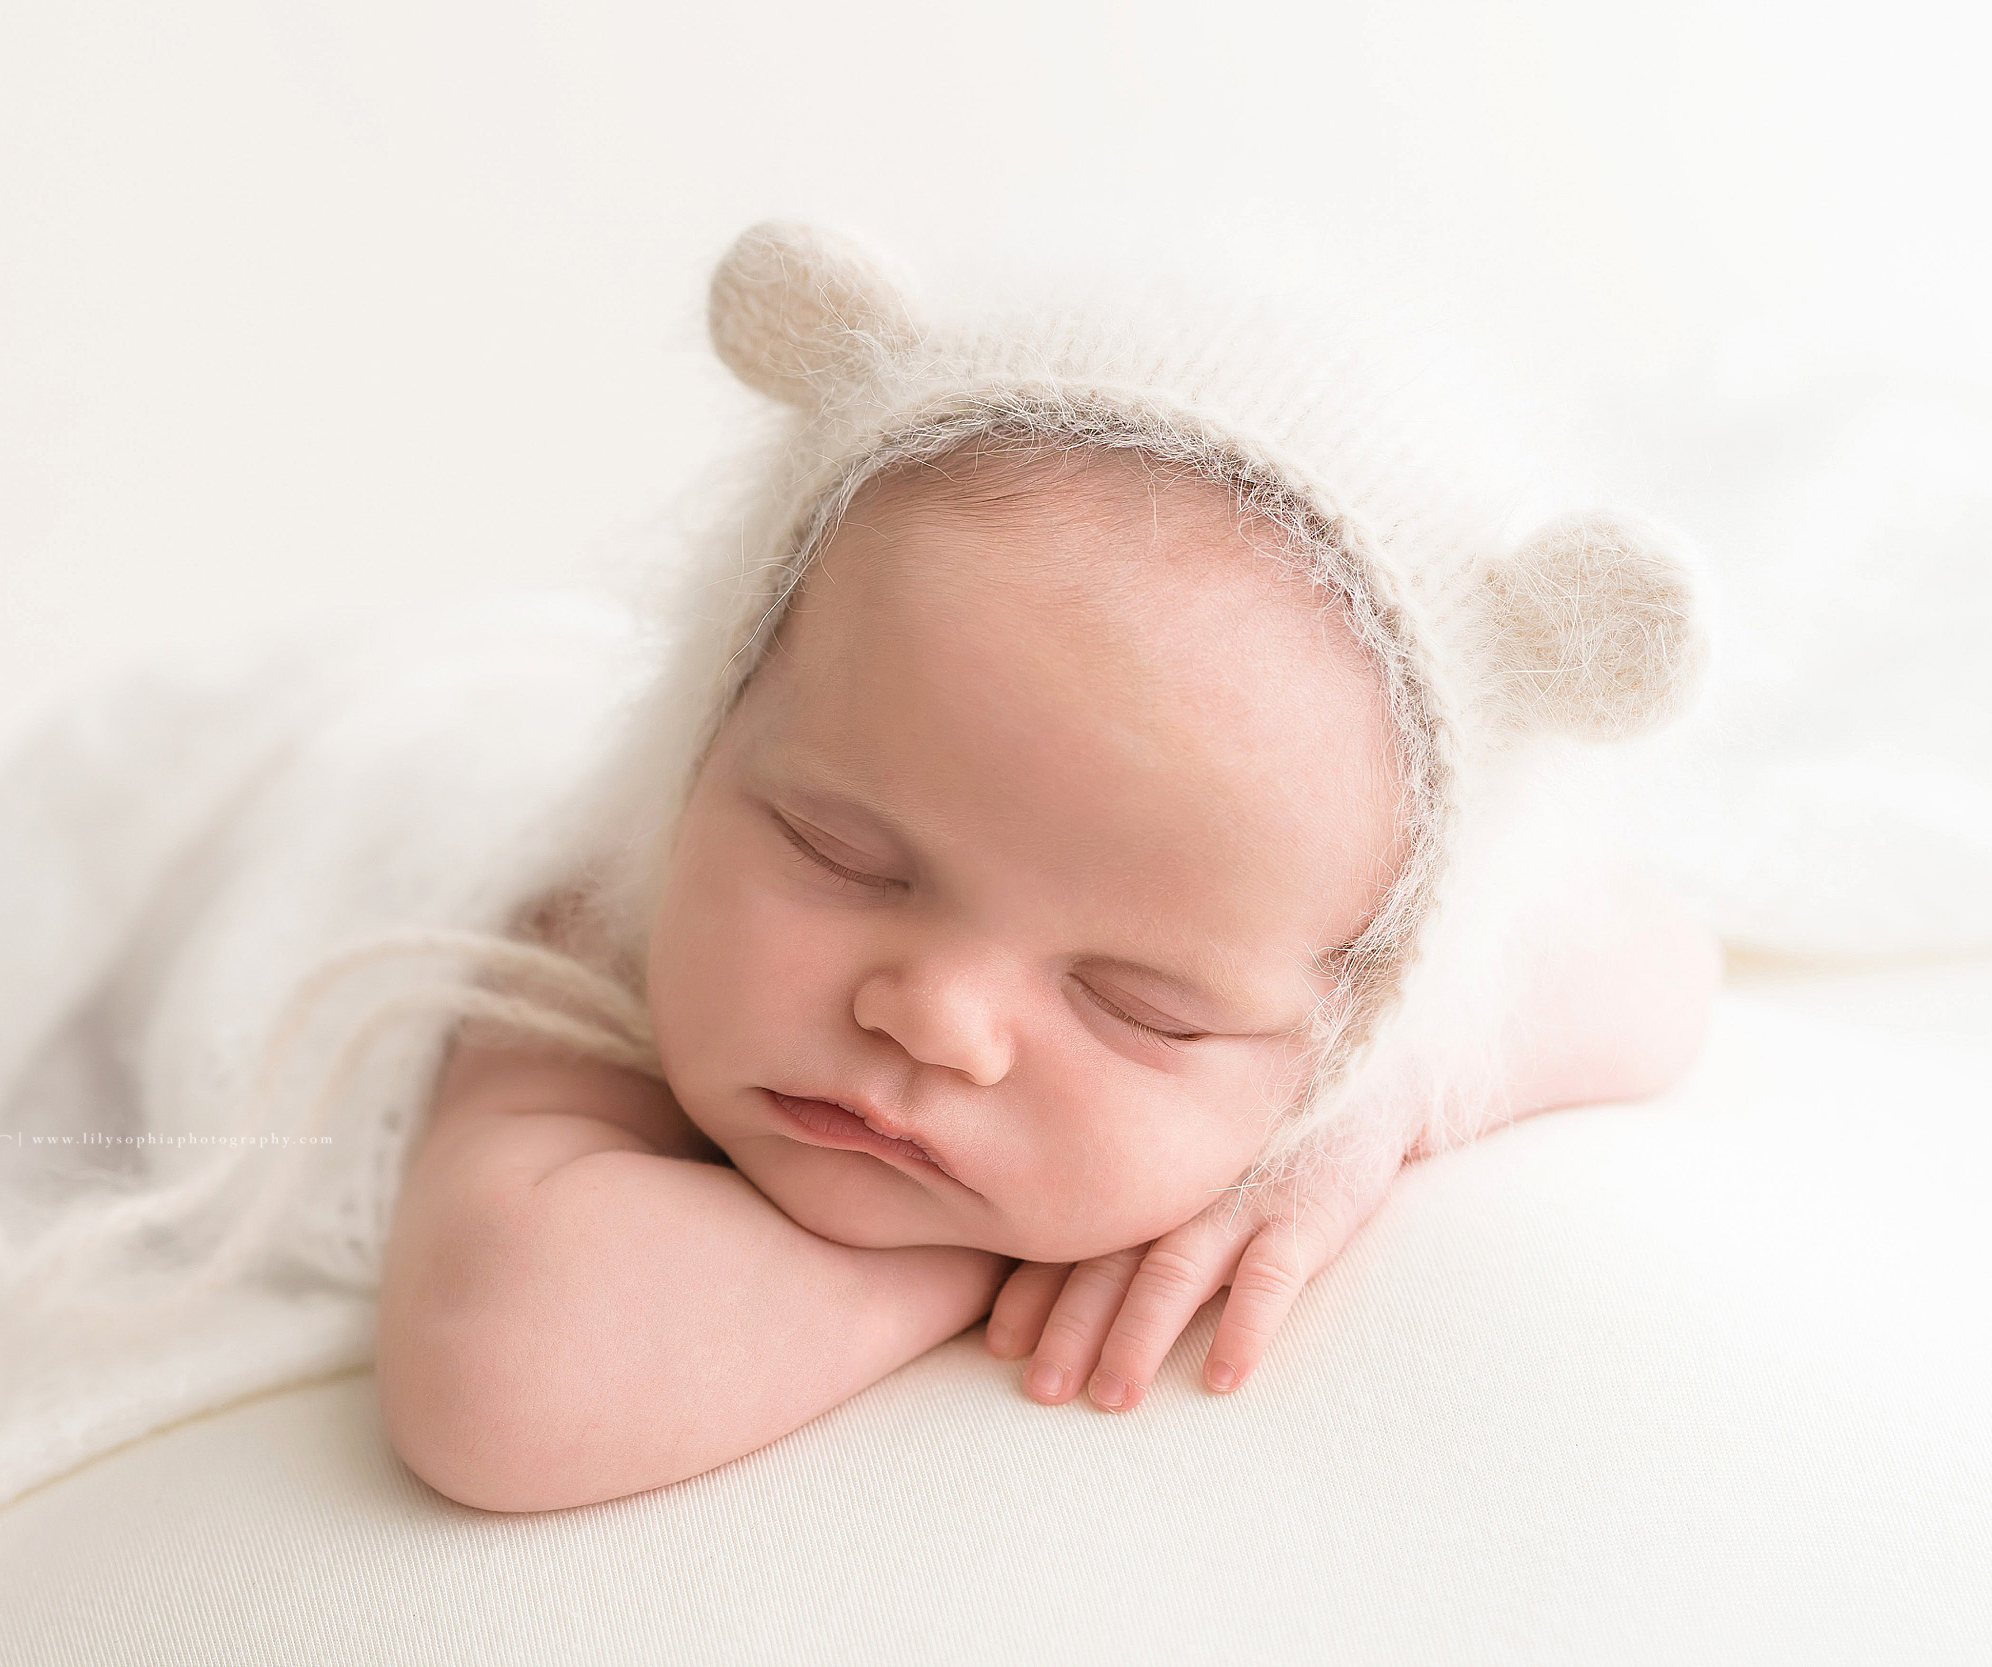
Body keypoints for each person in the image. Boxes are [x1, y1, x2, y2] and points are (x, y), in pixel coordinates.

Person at [373, 222, 1723, 1513]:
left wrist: (1372, 1114)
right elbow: (504, 1380)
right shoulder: (593, 926)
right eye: (839, 855)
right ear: (705, 748)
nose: (935, 1020)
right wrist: (991, 1255)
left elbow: (1663, 958)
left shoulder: (1362, 1004)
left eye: (1140, 1004)